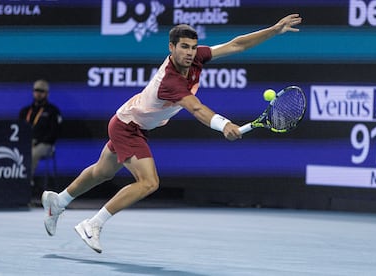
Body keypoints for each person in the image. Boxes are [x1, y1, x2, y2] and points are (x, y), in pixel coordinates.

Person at [41, 14, 302, 253]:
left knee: (102, 172)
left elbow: (237, 45)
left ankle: (58, 201)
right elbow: (196, 108)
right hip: (128, 127)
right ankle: (93, 224)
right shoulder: (171, 81)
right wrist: (224, 125)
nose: (189, 53)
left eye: (192, 47)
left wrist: (274, 30)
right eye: (183, 47)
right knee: (149, 182)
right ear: (171, 47)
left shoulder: (197, 57)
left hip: (128, 119)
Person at [19, 79, 62, 187]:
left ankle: (26, 184)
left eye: (41, 91)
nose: (38, 94)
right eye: (36, 90)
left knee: (33, 153)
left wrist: (38, 141)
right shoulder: (25, 111)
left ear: (46, 93)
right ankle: (14, 182)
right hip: (27, 143)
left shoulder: (52, 111)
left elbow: (54, 133)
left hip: (45, 144)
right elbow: (19, 129)